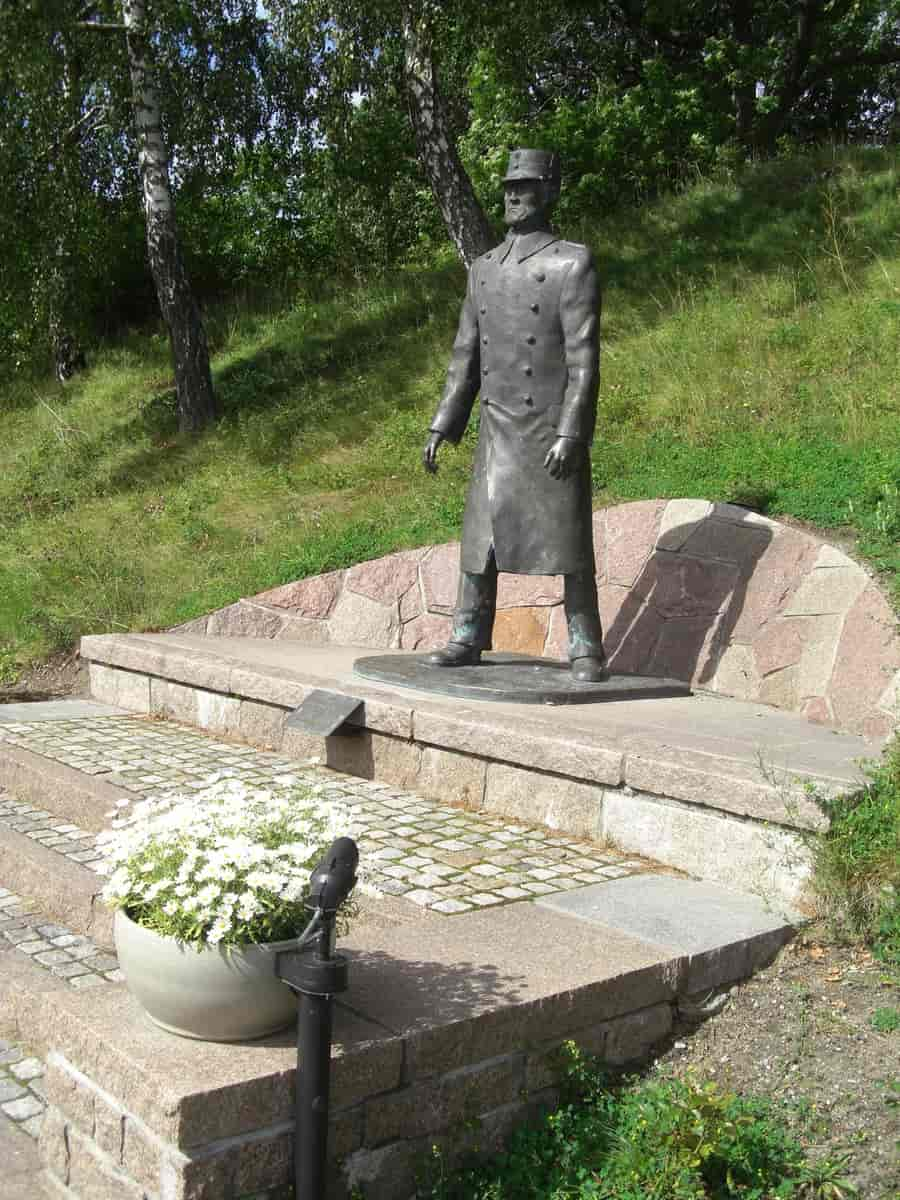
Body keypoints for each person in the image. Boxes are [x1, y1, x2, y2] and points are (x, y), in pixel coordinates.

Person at [422, 148, 607, 682]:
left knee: (569, 539)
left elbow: (583, 359)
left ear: (549, 192)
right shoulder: (482, 269)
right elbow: (465, 356)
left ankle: (584, 642)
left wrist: (572, 431)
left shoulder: (572, 262)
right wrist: (443, 423)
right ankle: (468, 632)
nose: (512, 194)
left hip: (549, 425)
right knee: (480, 535)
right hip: (498, 427)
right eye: (508, 185)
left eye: (525, 185)